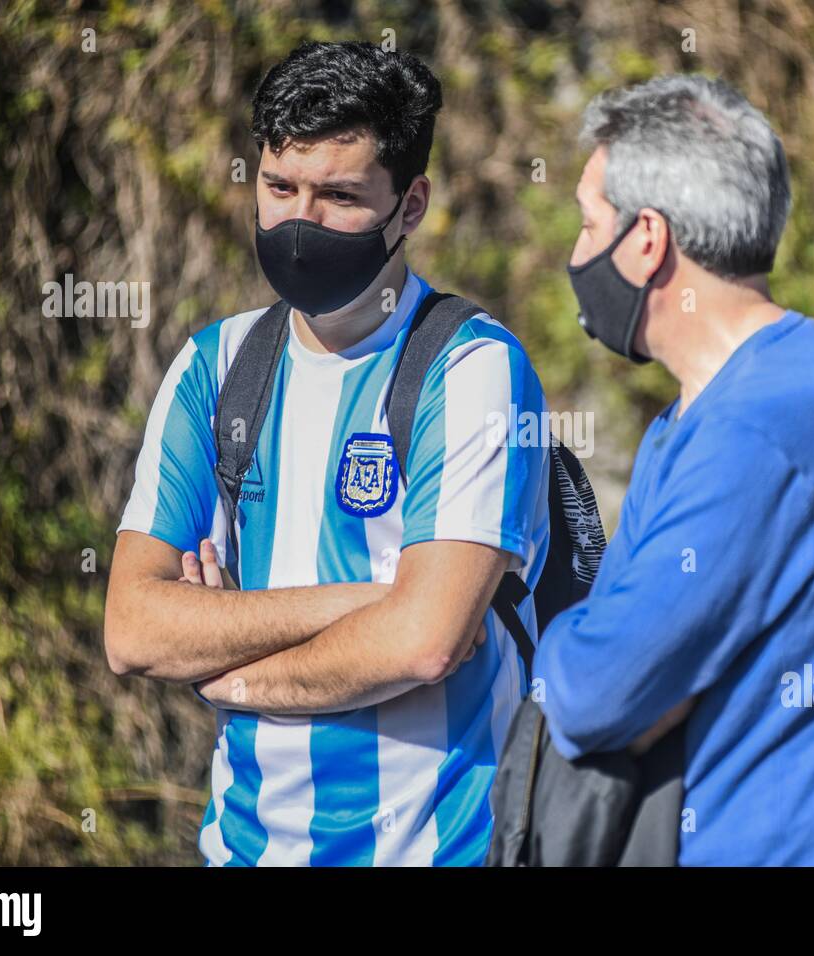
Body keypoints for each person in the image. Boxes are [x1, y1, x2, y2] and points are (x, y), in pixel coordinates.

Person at [104, 41, 549, 866]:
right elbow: (133, 632)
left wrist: (228, 670)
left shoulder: (471, 366)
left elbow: (426, 643)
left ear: (409, 207)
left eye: (339, 196)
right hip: (243, 850)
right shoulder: (217, 365)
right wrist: (363, 601)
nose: (299, 223)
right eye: (280, 188)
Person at [534, 74, 814, 865]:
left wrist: (547, 641)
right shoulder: (709, 412)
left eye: (591, 225)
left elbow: (594, 693)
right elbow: (632, 664)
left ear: (647, 240)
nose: (577, 256)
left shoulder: (764, 427)